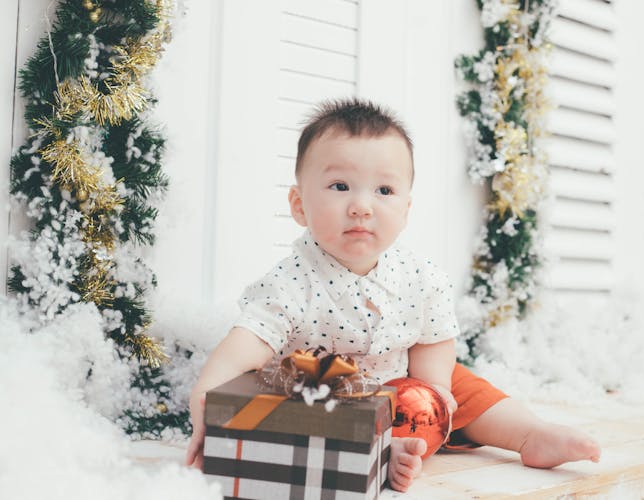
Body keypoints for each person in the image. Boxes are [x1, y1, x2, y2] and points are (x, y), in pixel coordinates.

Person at [186, 98, 601, 492]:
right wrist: (206, 399)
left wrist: (434, 396)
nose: (362, 206)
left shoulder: (421, 278)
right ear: (298, 205)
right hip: (326, 387)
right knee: (294, 406)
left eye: (383, 191)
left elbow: (434, 341)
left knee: (466, 387)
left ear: (405, 209)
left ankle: (530, 434)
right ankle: (382, 451)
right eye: (340, 185)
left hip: (405, 382)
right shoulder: (290, 284)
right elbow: (246, 344)